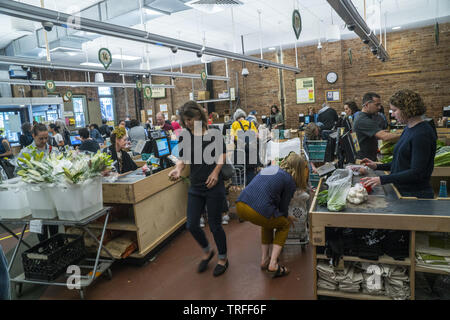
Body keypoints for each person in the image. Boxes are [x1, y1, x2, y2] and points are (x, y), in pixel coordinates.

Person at [168, 101, 229, 277]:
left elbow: (222, 155)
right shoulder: (185, 135)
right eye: (185, 119)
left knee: (216, 225)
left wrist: (216, 172)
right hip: (195, 186)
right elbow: (183, 158)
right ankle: (207, 250)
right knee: (192, 224)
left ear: (199, 116)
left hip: (213, 186)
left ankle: (223, 258)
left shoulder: (214, 133)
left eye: (190, 118)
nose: (187, 122)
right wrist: (178, 170)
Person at [235, 152, 309, 278]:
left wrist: (282, 215)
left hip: (241, 204)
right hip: (257, 210)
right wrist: (286, 217)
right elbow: (283, 208)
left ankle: (264, 260)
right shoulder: (289, 181)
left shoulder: (272, 168)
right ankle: (273, 264)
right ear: (298, 169)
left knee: (268, 221)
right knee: (284, 225)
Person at [360, 90, 437, 199]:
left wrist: (382, 179)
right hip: (402, 190)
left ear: (407, 109)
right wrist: (377, 166)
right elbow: (401, 162)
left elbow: (417, 172)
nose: (392, 114)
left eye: (394, 110)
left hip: (415, 195)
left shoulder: (422, 134)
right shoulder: (408, 128)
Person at [17, 123, 58, 242]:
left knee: (54, 225)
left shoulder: (52, 150)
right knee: (41, 230)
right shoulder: (26, 152)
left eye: (46, 138)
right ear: (33, 136)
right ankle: (44, 247)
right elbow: (17, 171)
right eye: (41, 138)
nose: (44, 141)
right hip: (35, 196)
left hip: (51, 194)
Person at [353, 92, 400, 161]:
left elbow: (374, 132)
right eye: (377, 105)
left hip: (368, 157)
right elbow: (385, 137)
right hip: (364, 159)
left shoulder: (365, 116)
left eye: (379, 105)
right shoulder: (363, 120)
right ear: (367, 105)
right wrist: (406, 134)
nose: (379, 107)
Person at [231, 108, 259, 185]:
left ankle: (243, 190)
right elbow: (257, 136)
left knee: (241, 171)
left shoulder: (235, 124)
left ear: (236, 118)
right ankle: (252, 189)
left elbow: (231, 138)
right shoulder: (251, 124)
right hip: (252, 151)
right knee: (250, 171)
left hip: (241, 151)